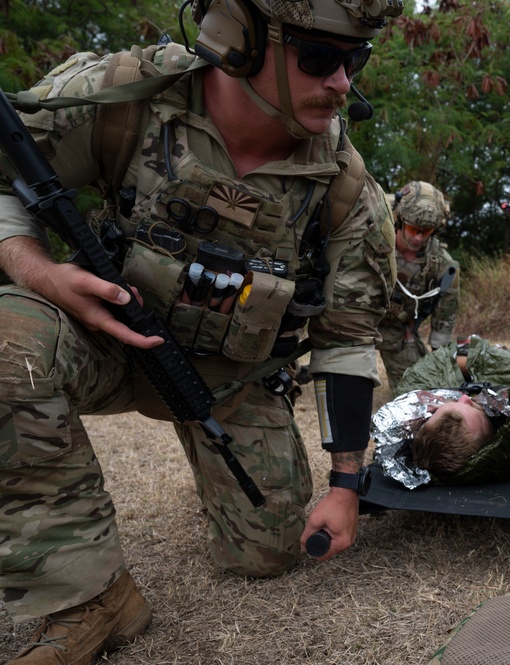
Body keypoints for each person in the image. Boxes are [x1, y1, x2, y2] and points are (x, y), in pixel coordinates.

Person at [0, 0, 401, 661]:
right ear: (238, 40)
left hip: (230, 382)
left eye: (354, 60)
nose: (342, 84)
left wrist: (345, 483)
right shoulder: (123, 96)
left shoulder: (347, 190)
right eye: (320, 58)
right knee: (9, 338)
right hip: (104, 339)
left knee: (267, 552)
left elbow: (346, 338)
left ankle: (215, 468)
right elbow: (6, 172)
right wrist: (36, 269)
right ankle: (89, 597)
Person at [372, 336, 510, 486]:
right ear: (487, 444)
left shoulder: (420, 388)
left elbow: (463, 347)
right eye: (472, 406)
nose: (465, 397)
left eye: (453, 402)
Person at [377, 180, 461, 390]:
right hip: (355, 322)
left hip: (394, 329)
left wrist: (441, 362)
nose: (418, 237)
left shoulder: (443, 266)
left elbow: (445, 319)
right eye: (413, 228)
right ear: (399, 219)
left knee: (415, 389)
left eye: (426, 231)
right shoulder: (373, 241)